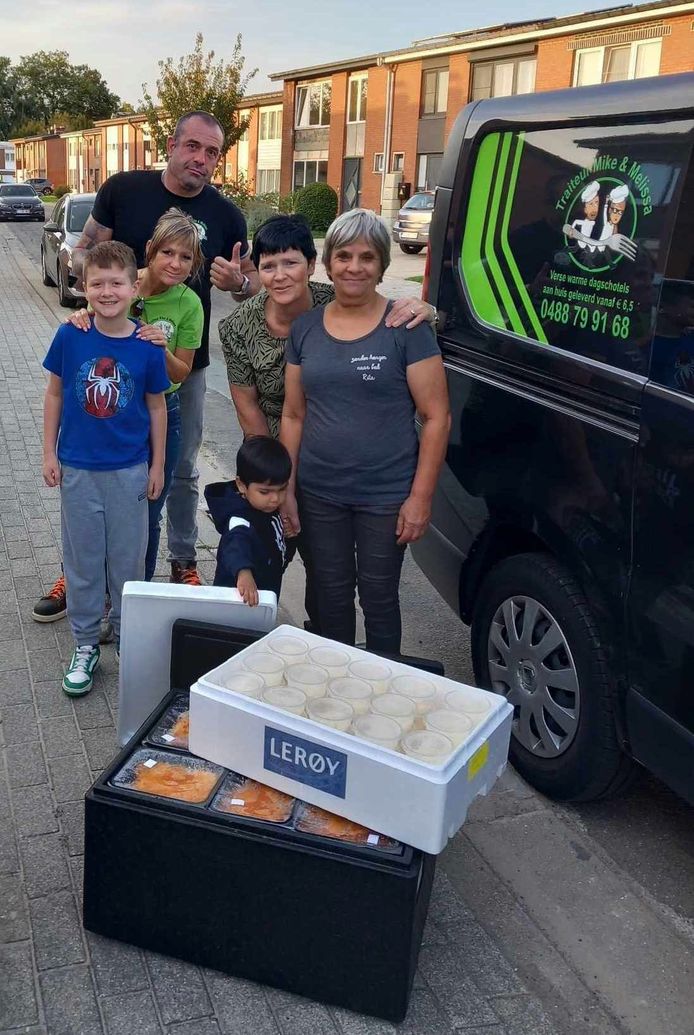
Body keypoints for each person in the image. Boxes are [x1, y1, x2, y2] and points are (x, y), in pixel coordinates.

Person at [32, 110, 258, 624]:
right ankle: (81, 575)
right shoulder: (124, 189)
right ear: (172, 145)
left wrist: (239, 283)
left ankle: (181, 563)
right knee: (100, 473)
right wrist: (89, 299)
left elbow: (252, 281)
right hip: (113, 361)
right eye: (193, 146)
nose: (201, 159)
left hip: (182, 368)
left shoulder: (227, 216)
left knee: (179, 469)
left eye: (212, 152)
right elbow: (84, 251)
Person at [220, 213, 437, 629]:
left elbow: (392, 318)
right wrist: (279, 486)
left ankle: (333, 644)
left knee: (353, 590)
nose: (280, 275)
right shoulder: (242, 327)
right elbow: (257, 414)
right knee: (280, 568)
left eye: (291, 263)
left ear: (311, 265)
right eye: (269, 265)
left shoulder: (337, 300)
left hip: (362, 473)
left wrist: (429, 309)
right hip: (279, 462)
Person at [280, 209, 450, 653]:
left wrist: (420, 498)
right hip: (320, 493)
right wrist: (288, 489)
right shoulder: (305, 328)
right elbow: (294, 415)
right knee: (331, 595)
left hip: (385, 495)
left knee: (379, 597)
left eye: (367, 257)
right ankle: (336, 690)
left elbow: (436, 417)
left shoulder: (406, 327)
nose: (354, 267)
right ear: (327, 263)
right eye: (344, 256)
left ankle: (383, 684)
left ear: (382, 265)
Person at [42, 241, 169, 695]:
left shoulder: (147, 346)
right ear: (83, 287)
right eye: (97, 283)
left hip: (130, 471)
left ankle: (129, 638)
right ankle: (85, 641)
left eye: (117, 283)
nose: (107, 291)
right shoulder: (70, 336)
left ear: (135, 287)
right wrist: (49, 453)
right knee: (83, 560)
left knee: (128, 560)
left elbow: (157, 407)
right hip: (78, 470)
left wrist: (158, 464)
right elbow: (55, 394)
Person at [64, 208, 205, 580]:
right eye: (167, 252)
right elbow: (90, 327)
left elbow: (182, 372)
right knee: (96, 507)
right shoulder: (120, 283)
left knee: (148, 508)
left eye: (186, 257)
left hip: (162, 409)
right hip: (115, 409)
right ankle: (83, 580)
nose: (175, 263)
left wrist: (161, 347)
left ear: (194, 264)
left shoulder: (190, 304)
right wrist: (78, 317)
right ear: (150, 250)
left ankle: (136, 592)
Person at [205, 436, 290, 606]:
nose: (275, 499)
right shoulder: (239, 520)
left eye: (282, 489)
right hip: (237, 600)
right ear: (241, 485)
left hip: (264, 594)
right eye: (265, 492)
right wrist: (243, 572)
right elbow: (235, 546)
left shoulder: (267, 508)